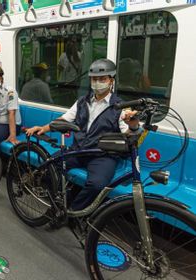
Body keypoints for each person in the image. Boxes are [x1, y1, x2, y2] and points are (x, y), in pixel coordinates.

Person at [26, 59, 140, 211]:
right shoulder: (82, 102)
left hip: (102, 155)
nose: (97, 82)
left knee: (97, 184)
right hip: (78, 149)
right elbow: (64, 119)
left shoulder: (120, 107)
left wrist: (133, 126)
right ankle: (59, 202)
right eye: (94, 79)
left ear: (111, 81)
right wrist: (43, 128)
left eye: (102, 79)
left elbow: (128, 134)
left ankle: (73, 211)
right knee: (49, 166)